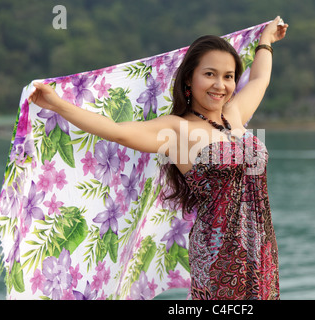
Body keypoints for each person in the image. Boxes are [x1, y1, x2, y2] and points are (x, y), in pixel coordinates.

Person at [29, 16, 288, 300]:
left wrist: (266, 41)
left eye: (228, 76)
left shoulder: (234, 115)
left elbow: (261, 79)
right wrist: (56, 103)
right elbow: (117, 132)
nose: (220, 84)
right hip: (219, 253)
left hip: (260, 245)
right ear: (190, 78)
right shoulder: (178, 129)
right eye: (210, 74)